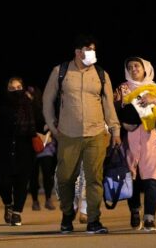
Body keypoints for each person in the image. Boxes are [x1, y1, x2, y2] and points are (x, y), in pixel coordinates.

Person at [42, 34, 121, 234]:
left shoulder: (101, 74)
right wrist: (53, 127)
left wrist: (115, 130)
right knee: (65, 177)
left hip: (96, 133)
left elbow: (109, 105)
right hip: (68, 134)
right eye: (89, 50)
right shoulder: (60, 71)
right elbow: (47, 101)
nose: (93, 54)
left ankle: (94, 220)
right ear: (78, 52)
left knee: (95, 178)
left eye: (94, 50)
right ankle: (67, 214)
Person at [114, 57, 156, 231]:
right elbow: (113, 110)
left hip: (153, 140)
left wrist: (155, 101)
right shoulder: (122, 88)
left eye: (137, 66)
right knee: (131, 178)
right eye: (130, 67)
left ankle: (149, 219)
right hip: (130, 139)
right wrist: (121, 122)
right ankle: (134, 210)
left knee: (152, 179)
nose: (133, 69)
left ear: (145, 68)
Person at [0, 77, 36, 226]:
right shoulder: (0, 107)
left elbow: (40, 122)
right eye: (12, 88)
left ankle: (17, 213)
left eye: (19, 87)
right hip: (3, 148)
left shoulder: (30, 105)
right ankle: (8, 204)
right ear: (7, 90)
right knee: (4, 183)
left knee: (22, 183)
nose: (16, 91)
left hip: (25, 148)